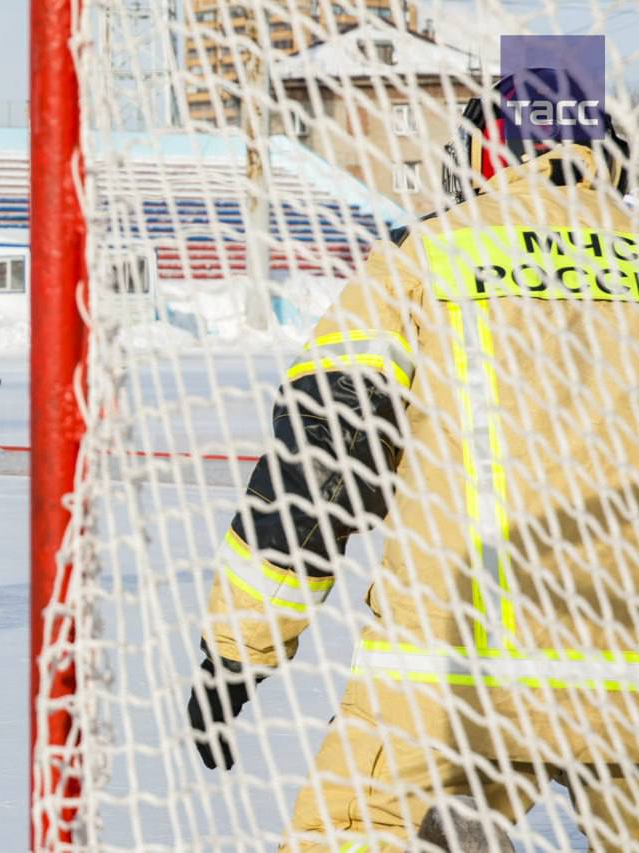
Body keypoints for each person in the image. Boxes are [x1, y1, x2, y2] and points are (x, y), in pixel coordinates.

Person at [187, 68, 637, 848]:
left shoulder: (426, 257)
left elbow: (322, 461)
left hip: (454, 675)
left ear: (483, 151)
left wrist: (237, 652)